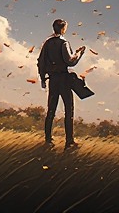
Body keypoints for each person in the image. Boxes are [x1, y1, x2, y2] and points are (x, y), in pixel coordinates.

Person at [37, 19, 85, 149]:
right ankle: (69, 141)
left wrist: (42, 78)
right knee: (68, 110)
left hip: (52, 80)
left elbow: (41, 61)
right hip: (64, 79)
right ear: (63, 29)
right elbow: (70, 61)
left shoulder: (47, 43)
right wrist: (79, 53)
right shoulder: (64, 43)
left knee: (51, 110)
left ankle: (48, 139)